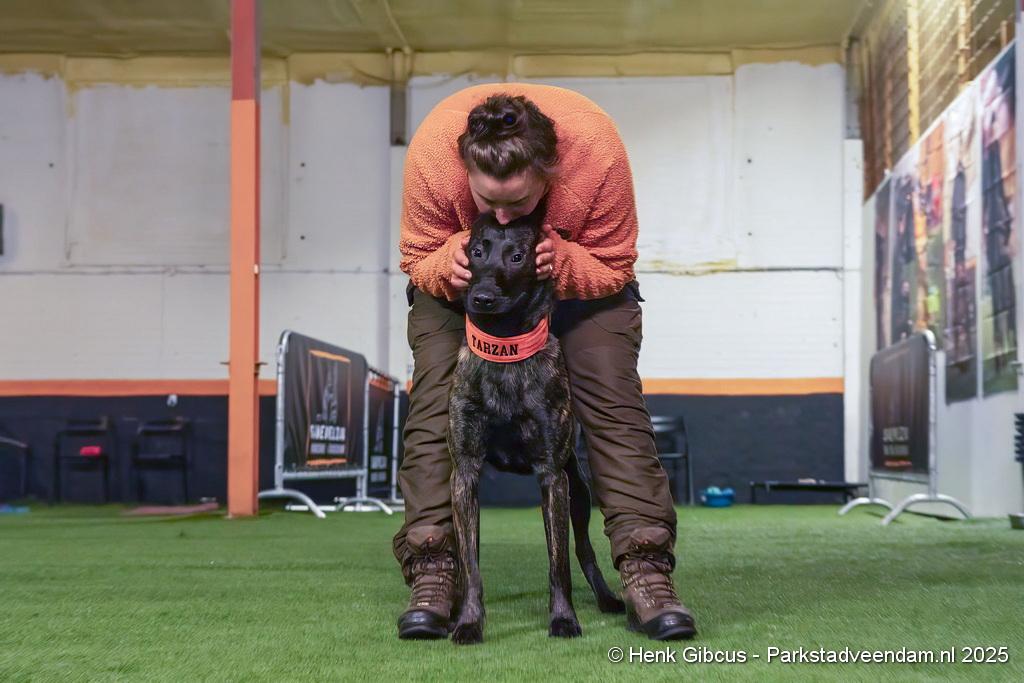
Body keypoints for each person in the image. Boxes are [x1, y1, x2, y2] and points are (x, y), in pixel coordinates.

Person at [393, 83, 696, 641]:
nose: (502, 217)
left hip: (582, 279)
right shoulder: (433, 155)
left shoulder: (597, 153)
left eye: (519, 204)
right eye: (487, 202)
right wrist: (445, 264)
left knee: (611, 404)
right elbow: (415, 255)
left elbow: (615, 263)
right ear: (464, 172)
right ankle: (434, 565)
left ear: (550, 175)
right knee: (435, 404)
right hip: (465, 285)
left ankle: (645, 566)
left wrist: (564, 260)